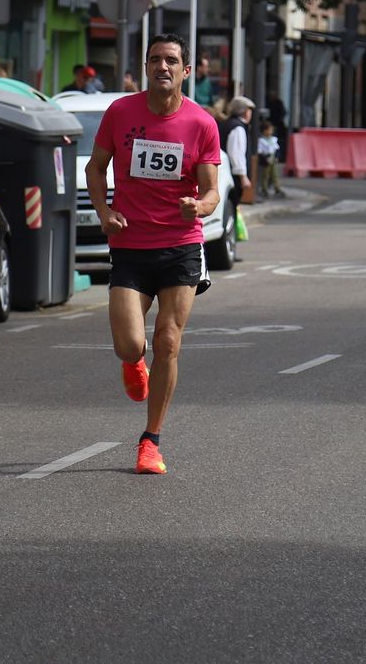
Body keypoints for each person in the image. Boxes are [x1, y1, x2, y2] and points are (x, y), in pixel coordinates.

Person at [85, 34, 222, 476]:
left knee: (168, 340)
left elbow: (212, 191)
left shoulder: (201, 123)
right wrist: (104, 212)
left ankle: (151, 441)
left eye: (171, 60)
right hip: (130, 244)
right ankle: (132, 362)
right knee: (130, 343)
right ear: (146, 67)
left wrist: (198, 206)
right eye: (155, 59)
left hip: (181, 245)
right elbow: (94, 168)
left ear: (186, 71)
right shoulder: (120, 112)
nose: (163, 66)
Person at [222, 96, 255, 255]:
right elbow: (236, 154)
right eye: (249, 110)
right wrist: (243, 176)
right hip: (232, 177)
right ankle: (230, 248)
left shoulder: (228, 124)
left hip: (227, 174)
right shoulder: (238, 128)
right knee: (231, 212)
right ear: (245, 112)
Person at [258, 118, 285, 198]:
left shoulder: (273, 139)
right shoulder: (261, 140)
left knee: (274, 175)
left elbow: (276, 149)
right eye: (269, 130)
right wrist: (264, 159)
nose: (271, 132)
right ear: (264, 131)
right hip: (266, 159)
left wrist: (277, 157)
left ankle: (277, 188)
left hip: (272, 158)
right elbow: (260, 152)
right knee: (265, 176)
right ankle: (264, 189)